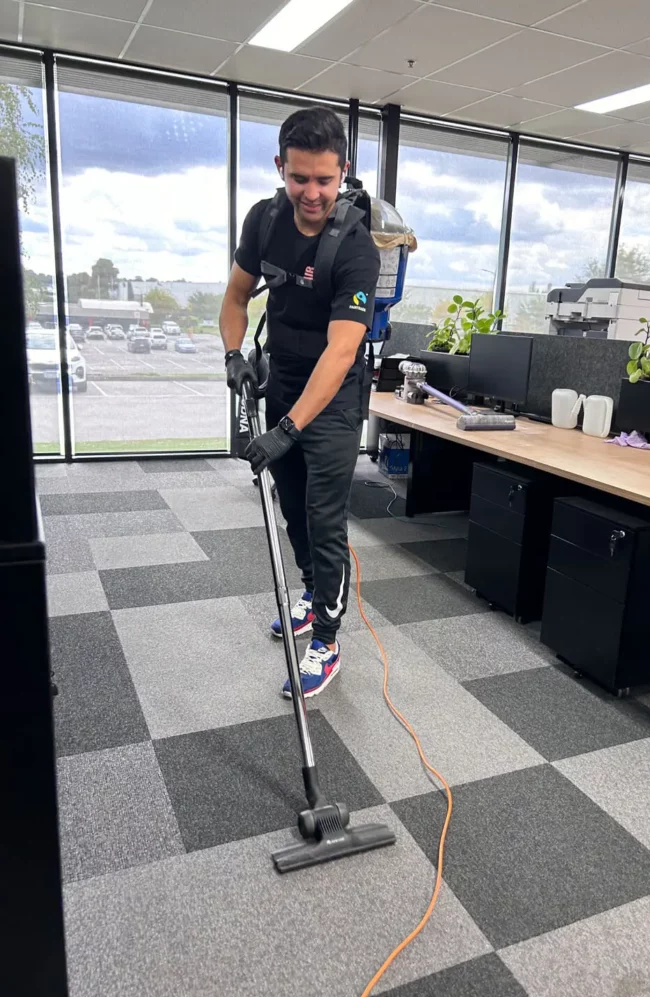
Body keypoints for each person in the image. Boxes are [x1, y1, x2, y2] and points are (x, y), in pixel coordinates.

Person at [219, 106, 380, 700]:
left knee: (323, 519)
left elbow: (341, 353)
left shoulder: (358, 248)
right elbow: (235, 298)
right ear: (280, 167)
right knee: (290, 507)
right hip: (282, 382)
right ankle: (312, 596)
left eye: (324, 181)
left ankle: (328, 642)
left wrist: (287, 428)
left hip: (333, 400)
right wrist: (234, 356)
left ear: (342, 175)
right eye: (299, 178)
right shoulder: (263, 222)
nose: (311, 193)